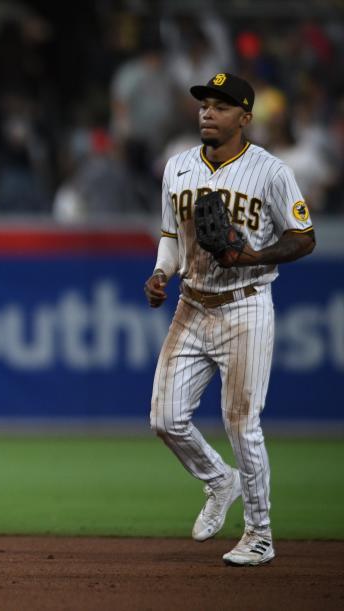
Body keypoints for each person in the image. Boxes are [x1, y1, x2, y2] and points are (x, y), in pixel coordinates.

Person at [145, 73, 315, 566]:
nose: (207, 113)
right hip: (192, 304)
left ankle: (260, 534)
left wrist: (255, 255)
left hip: (246, 303)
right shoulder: (177, 167)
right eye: (203, 105)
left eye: (220, 107)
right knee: (165, 418)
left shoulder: (270, 171)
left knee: (242, 423)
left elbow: (304, 236)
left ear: (245, 118)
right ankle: (220, 481)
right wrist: (160, 272)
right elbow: (172, 237)